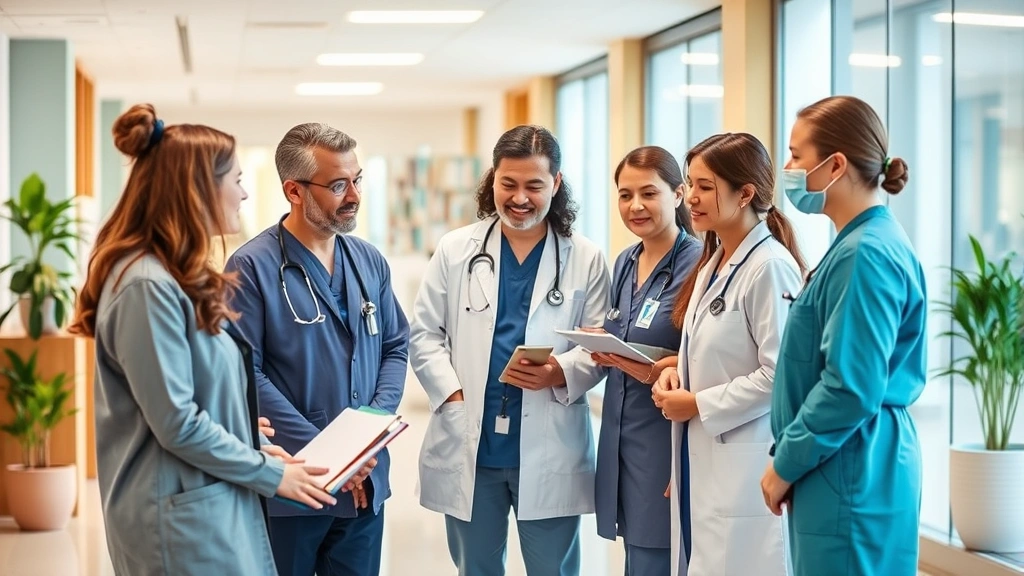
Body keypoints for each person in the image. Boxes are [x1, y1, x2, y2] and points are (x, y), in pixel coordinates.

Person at [69, 104, 348, 575]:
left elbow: (186, 395)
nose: (242, 192)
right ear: (197, 189)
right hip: (176, 517)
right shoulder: (145, 287)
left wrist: (243, 432)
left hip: (203, 501)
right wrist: (272, 473)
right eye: (235, 179)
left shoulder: (173, 277)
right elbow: (175, 421)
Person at [409, 125, 611, 576]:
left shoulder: (585, 257)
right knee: (476, 568)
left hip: (550, 442)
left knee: (552, 570)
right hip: (472, 445)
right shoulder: (456, 249)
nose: (520, 198)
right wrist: (453, 396)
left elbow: (598, 346)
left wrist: (561, 370)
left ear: (555, 185)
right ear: (493, 180)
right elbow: (423, 334)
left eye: (534, 186)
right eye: (509, 184)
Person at [225, 123, 410, 576]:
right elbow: (244, 373)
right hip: (293, 483)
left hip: (366, 479)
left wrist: (366, 441)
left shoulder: (368, 261)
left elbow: (395, 346)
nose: (354, 196)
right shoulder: (251, 267)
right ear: (294, 189)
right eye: (338, 185)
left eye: (358, 180)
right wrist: (331, 454)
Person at [760, 95, 925, 576]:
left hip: (851, 466)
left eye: (795, 155)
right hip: (843, 461)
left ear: (835, 164)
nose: (787, 168)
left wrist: (785, 463)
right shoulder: (856, 244)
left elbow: (850, 385)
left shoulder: (865, 254)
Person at [651, 133, 806, 576]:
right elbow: (709, 353)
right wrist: (674, 373)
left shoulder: (769, 266)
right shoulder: (715, 261)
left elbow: (781, 376)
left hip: (747, 463)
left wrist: (697, 403)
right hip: (707, 458)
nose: (690, 198)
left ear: (745, 194)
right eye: (690, 185)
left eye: (704, 186)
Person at [589, 146, 702, 575]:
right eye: (624, 194)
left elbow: (703, 356)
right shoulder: (625, 261)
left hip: (666, 438)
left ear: (678, 194)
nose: (635, 206)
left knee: (658, 556)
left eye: (648, 194)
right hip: (622, 433)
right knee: (638, 556)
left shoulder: (699, 263)